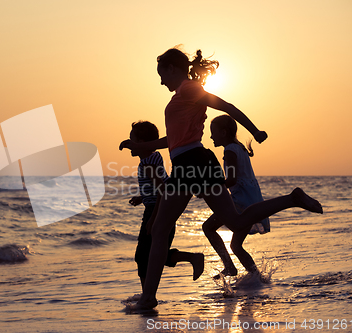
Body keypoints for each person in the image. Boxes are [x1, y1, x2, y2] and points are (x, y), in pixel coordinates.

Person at [119, 47, 323, 311]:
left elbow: (226, 106)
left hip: (190, 165)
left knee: (158, 230)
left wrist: (255, 130)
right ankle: (292, 198)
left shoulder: (188, 89)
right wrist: (144, 144)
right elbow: (173, 140)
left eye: (162, 74)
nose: (161, 82)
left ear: (172, 68)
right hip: (196, 161)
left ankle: (148, 298)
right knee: (235, 221)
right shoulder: (185, 94)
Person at [128, 121, 204, 299]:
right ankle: (147, 294)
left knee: (144, 255)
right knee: (154, 253)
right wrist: (143, 197)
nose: (129, 143)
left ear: (142, 142)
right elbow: (164, 183)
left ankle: (147, 296)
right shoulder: (152, 159)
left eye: (132, 139)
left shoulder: (147, 165)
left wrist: (153, 218)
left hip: (157, 210)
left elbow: (162, 190)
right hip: (160, 207)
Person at [203, 115, 270, 279]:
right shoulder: (238, 148)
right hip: (250, 199)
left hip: (241, 202)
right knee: (236, 245)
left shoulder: (230, 150)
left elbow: (231, 179)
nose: (211, 136)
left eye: (213, 132)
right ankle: (257, 277)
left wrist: (210, 188)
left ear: (224, 132)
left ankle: (231, 268)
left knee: (208, 228)